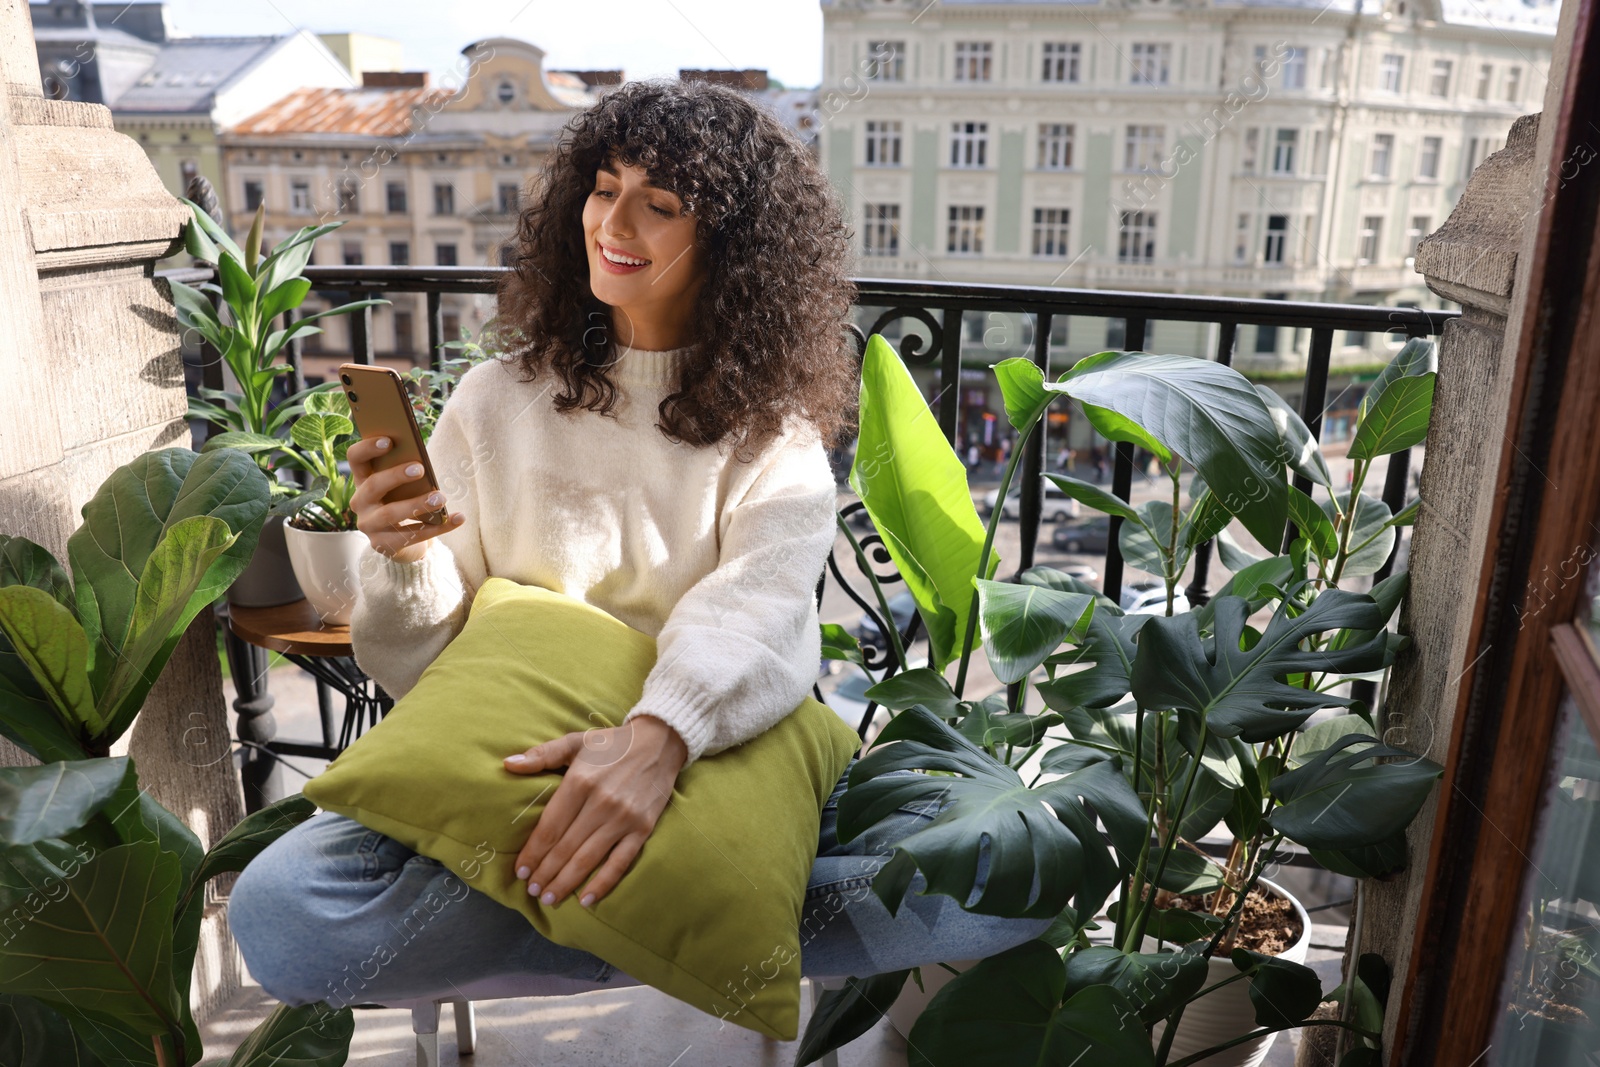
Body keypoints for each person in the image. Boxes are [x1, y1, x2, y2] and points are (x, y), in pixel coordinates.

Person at [228, 80, 1051, 1010]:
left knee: (1011, 877)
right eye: (603, 186)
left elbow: (754, 612)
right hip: (518, 772)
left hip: (712, 760)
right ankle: (688, 932)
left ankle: (621, 916)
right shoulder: (494, 402)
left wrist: (656, 740)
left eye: (658, 205)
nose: (611, 221)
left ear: (735, 251)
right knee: (282, 919)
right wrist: (406, 560)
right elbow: (416, 668)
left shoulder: (771, 440)